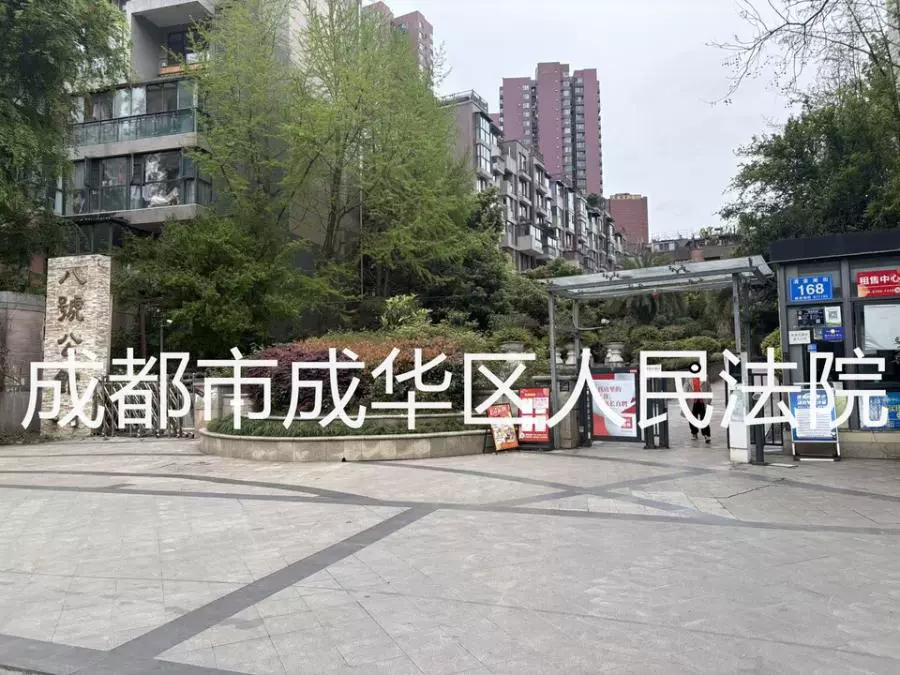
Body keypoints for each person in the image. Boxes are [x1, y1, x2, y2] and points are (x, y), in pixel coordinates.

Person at [687, 375, 712, 444]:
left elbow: (709, 388)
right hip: (692, 401)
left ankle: (706, 435)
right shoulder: (688, 377)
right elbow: (685, 388)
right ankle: (694, 432)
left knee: (704, 418)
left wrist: (709, 400)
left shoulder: (705, 377)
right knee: (692, 418)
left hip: (703, 401)